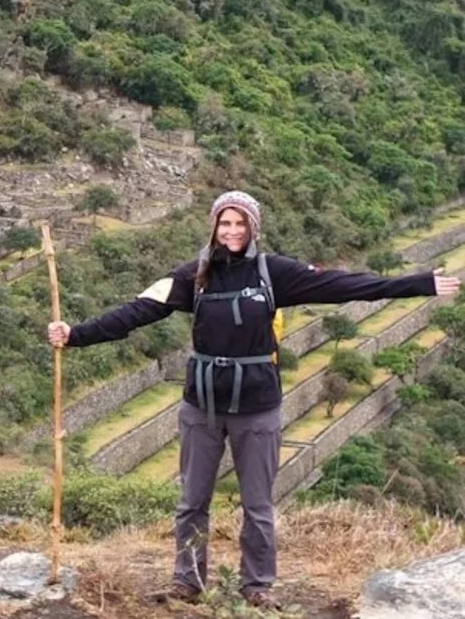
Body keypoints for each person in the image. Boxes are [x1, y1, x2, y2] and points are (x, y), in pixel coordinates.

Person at [47, 191, 460, 609]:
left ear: (253, 227)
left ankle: (256, 586)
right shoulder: (194, 275)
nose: (232, 231)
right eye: (225, 224)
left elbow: (344, 286)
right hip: (202, 405)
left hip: (258, 406)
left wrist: (418, 283)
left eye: (240, 223)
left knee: (257, 504)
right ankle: (187, 581)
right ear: (213, 227)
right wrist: (76, 334)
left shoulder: (273, 273)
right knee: (192, 501)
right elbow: (136, 312)